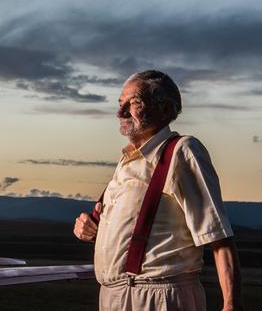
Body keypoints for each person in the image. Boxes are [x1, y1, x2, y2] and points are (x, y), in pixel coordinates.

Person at [73, 70, 243, 311]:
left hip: (160, 298)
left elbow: (218, 236)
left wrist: (231, 304)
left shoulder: (183, 151)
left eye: (134, 103)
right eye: (120, 103)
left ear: (164, 108)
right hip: (113, 297)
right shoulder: (127, 161)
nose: (120, 112)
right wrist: (93, 232)